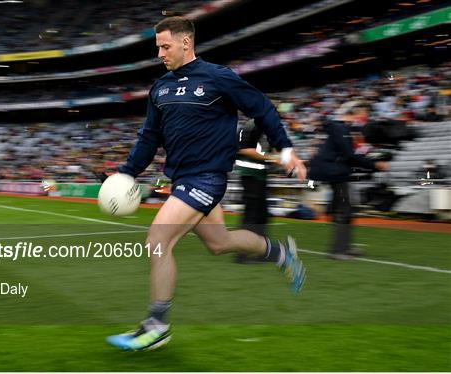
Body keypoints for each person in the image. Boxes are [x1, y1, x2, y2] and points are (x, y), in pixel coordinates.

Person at [106, 16, 307, 352]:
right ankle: (281, 253)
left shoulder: (218, 77)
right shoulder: (160, 89)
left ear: (186, 42)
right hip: (183, 179)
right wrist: (126, 172)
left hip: (209, 178)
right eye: (157, 47)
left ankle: (157, 325)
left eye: (165, 46)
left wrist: (285, 149)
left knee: (158, 238)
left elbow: (262, 108)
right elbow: (148, 138)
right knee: (219, 242)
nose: (160, 53)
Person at [308, 107, 388, 260]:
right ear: (353, 115)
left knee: (345, 210)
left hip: (336, 173)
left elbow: (348, 154)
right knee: (344, 211)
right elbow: (349, 155)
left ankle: (344, 247)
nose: (363, 120)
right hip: (335, 174)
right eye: (363, 116)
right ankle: (338, 251)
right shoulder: (340, 128)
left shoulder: (341, 129)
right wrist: (375, 165)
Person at [234, 120, 275, 263]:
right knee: (251, 216)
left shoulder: (263, 126)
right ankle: (242, 254)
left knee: (262, 215)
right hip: (251, 174)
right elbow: (244, 149)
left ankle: (262, 252)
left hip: (259, 175)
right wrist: (272, 158)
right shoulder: (252, 125)